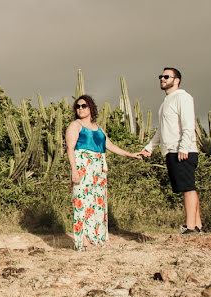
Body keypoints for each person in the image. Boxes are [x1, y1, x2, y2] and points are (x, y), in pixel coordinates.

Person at [66, 95, 140, 251]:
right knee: (81, 201)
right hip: (83, 166)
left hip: (99, 168)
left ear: (91, 107)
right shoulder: (75, 125)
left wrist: (130, 154)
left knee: (97, 202)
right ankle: (83, 239)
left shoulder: (99, 128)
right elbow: (70, 149)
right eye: (77, 106)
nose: (80, 108)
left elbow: (110, 145)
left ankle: (97, 236)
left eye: (83, 106)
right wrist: (74, 170)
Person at [138, 67, 202, 234]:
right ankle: (197, 226)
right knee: (187, 187)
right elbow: (162, 130)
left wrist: (183, 147)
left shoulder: (183, 97)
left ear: (177, 80)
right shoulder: (165, 102)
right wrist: (149, 148)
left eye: (166, 76)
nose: (162, 79)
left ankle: (190, 228)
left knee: (188, 188)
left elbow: (188, 124)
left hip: (183, 150)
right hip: (171, 151)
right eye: (161, 76)